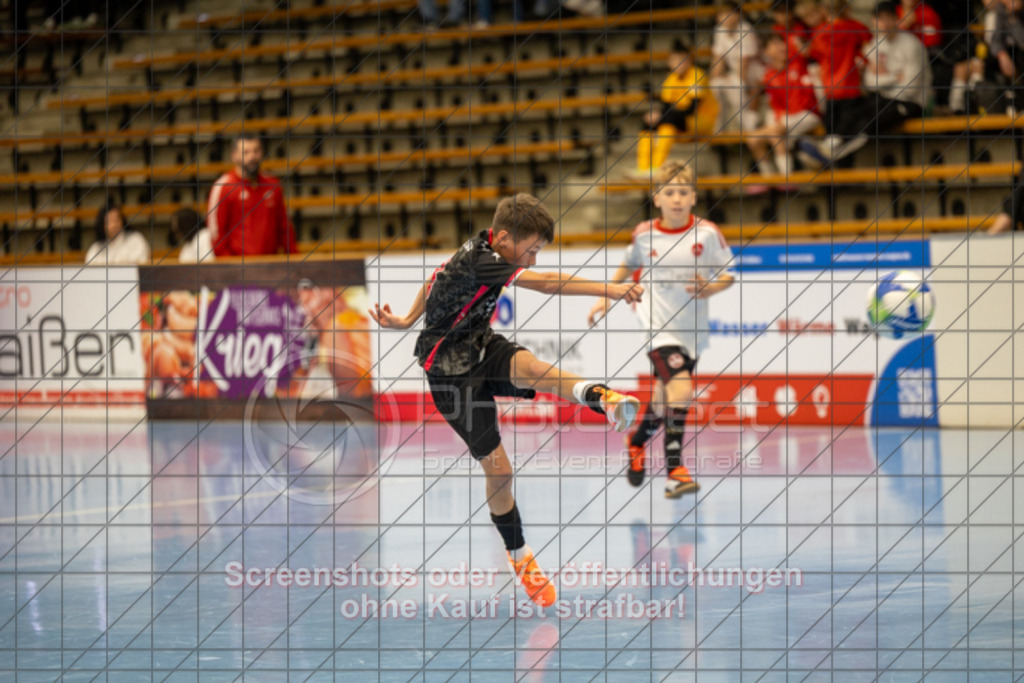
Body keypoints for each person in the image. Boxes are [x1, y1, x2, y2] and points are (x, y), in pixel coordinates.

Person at [369, 194, 644, 607]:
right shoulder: (484, 260)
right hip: (449, 375)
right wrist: (615, 289)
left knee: (533, 368)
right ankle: (519, 555)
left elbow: (435, 277)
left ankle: (601, 398)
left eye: (537, 251)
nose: (532, 259)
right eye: (530, 250)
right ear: (503, 238)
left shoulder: (481, 244)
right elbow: (550, 283)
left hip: (480, 344)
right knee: (500, 472)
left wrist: (407, 318)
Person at [587, 162, 735, 499]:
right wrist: (606, 297)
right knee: (681, 391)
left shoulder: (708, 233)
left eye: (684, 192)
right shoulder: (643, 233)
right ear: (657, 199)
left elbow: (728, 273)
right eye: (669, 192)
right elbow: (628, 264)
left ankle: (637, 441)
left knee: (662, 400)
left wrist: (711, 288)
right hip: (656, 327)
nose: (677, 198)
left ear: (694, 197)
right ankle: (675, 472)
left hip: (692, 331)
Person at [807, 1, 931, 165]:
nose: (885, 23)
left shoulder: (912, 45)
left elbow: (910, 88)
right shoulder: (875, 44)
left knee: (873, 118)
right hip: (883, 98)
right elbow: (870, 83)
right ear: (874, 21)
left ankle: (831, 153)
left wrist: (884, 78)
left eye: (889, 18)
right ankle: (831, 146)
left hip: (910, 103)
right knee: (855, 110)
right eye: (880, 19)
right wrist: (894, 77)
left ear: (897, 19)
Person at [794, 0, 872, 165]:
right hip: (851, 88)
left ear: (823, 10)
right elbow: (869, 47)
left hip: (831, 89)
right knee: (841, 137)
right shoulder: (855, 27)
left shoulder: (820, 32)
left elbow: (813, 54)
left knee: (835, 133)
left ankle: (827, 156)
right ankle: (831, 155)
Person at [745, 32, 822, 189]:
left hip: (809, 114)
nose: (780, 46)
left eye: (781, 43)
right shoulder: (768, 76)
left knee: (775, 132)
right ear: (766, 52)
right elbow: (775, 105)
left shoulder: (799, 63)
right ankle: (768, 178)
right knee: (752, 139)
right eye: (774, 44)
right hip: (787, 118)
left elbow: (808, 49)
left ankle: (787, 178)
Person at [631, 49, 720, 178]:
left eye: (682, 60)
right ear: (669, 63)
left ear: (689, 61)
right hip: (681, 123)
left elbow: (691, 108)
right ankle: (643, 168)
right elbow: (666, 106)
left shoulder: (697, 75)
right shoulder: (670, 79)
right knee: (649, 122)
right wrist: (656, 116)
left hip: (704, 121)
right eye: (675, 60)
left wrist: (662, 116)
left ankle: (657, 167)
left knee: (669, 119)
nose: (679, 64)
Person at [208, 134, 298, 258]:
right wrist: (229, 267)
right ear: (234, 155)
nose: (252, 157)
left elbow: (284, 227)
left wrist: (294, 259)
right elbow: (216, 233)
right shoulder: (223, 187)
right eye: (246, 152)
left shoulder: (273, 184)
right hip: (237, 267)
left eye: (256, 151)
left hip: (270, 264)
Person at [710, 1, 763, 133]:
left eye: (730, 13)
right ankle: (720, 126)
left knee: (737, 86)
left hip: (756, 71)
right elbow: (718, 60)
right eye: (722, 14)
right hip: (736, 71)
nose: (726, 17)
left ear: (738, 15)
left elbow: (744, 64)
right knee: (716, 84)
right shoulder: (719, 30)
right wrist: (713, 80)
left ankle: (750, 123)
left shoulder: (746, 30)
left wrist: (736, 80)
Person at [85, 202, 151, 265]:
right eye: (109, 221)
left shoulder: (136, 240)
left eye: (116, 220)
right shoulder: (96, 248)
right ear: (102, 225)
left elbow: (141, 267)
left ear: (122, 221)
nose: (114, 225)